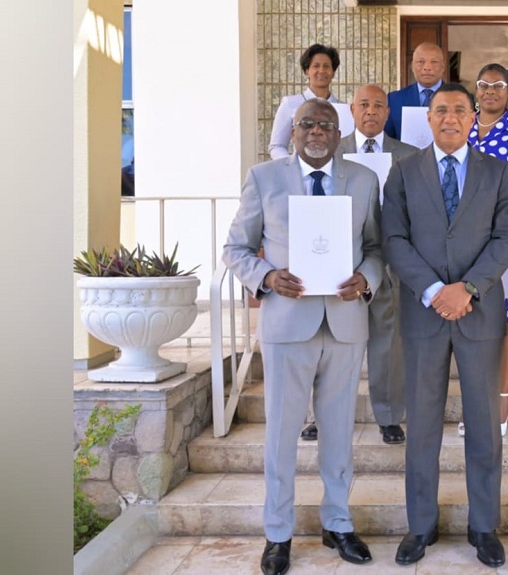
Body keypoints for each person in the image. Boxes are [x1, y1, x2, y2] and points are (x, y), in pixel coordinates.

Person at [222, 99, 382, 574]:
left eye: (327, 125)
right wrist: (267, 277)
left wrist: (366, 278)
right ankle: (278, 533)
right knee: (282, 434)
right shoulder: (264, 179)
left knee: (338, 431)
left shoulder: (364, 179)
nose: (317, 131)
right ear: (293, 132)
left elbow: (375, 247)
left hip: (344, 322)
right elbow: (234, 247)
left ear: (339, 133)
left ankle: (337, 521)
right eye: (307, 124)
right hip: (288, 323)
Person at [382, 83, 508, 569]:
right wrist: (432, 291)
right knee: (421, 423)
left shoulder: (497, 172)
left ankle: (484, 526)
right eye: (441, 109)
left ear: (473, 115)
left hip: (478, 312)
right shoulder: (402, 173)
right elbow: (394, 238)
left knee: (484, 423)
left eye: (460, 109)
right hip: (424, 314)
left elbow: (506, 237)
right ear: (429, 117)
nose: (451, 117)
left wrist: (468, 288)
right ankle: (420, 525)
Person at [457, 63, 508, 439]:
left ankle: (502, 398)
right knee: (470, 319)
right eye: (484, 85)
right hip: (462, 240)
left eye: (498, 85)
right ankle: (475, 403)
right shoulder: (464, 125)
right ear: (476, 91)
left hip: (506, 239)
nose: (490, 91)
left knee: (506, 319)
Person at [338, 83, 418, 444]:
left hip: (391, 263)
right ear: (352, 111)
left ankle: (388, 415)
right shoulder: (332, 151)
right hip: (340, 263)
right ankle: (322, 416)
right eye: (363, 105)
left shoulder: (410, 155)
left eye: (378, 106)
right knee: (334, 342)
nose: (370, 112)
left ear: (388, 113)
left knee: (388, 344)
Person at [268, 44, 342, 160]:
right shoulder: (289, 104)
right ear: (307, 71)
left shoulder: (342, 108)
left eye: (327, 66)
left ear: (333, 72)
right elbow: (277, 146)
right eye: (316, 66)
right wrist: (293, 168)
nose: (321, 71)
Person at [384, 42, 446, 140]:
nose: (427, 67)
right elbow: (387, 140)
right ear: (412, 66)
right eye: (421, 62)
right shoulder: (394, 100)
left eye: (434, 62)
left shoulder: (461, 98)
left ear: (443, 67)